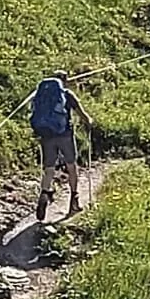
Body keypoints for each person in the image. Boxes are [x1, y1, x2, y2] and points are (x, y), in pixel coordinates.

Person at [28, 71, 95, 222]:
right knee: (71, 166)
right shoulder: (67, 94)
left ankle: (45, 193)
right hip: (64, 135)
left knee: (49, 168)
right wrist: (89, 122)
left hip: (46, 135)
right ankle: (74, 199)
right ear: (64, 80)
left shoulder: (41, 94)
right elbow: (82, 115)